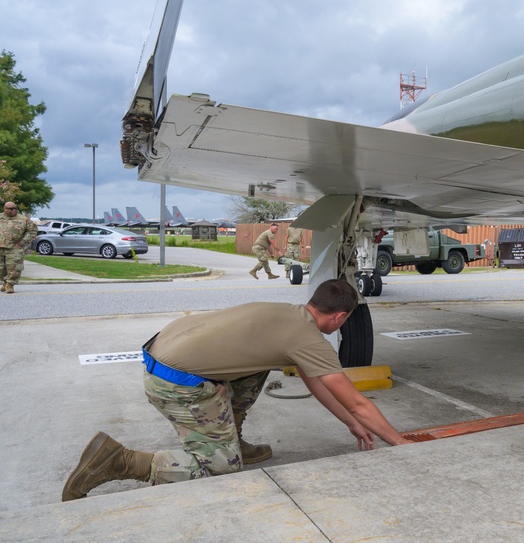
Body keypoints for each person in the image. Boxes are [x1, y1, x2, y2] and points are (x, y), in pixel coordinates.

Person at [63, 278, 408, 501]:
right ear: (340, 318)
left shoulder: (286, 315)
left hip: (161, 355)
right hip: (176, 383)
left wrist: (348, 423)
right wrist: (401, 443)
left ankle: (231, 438)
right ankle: (118, 461)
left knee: (257, 365)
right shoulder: (307, 338)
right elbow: (358, 402)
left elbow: (316, 383)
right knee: (222, 467)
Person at [0, 201, 37, 294]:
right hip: (1, 247)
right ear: (5, 209)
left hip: (14, 248)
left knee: (14, 268)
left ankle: (10, 284)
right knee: (1, 268)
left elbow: (32, 231)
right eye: (10, 209)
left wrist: (23, 241)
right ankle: (5, 282)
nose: (13, 210)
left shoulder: (24, 219)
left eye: (15, 208)